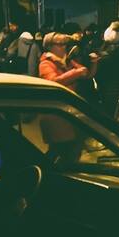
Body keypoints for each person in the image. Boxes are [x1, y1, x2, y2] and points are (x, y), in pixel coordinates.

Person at [38, 32, 94, 164]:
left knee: (71, 149)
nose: (64, 47)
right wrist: (75, 72)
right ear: (50, 46)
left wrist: (93, 64)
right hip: (55, 114)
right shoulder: (46, 64)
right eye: (60, 44)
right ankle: (48, 173)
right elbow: (53, 81)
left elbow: (85, 74)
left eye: (65, 44)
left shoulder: (66, 60)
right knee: (60, 150)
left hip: (67, 111)